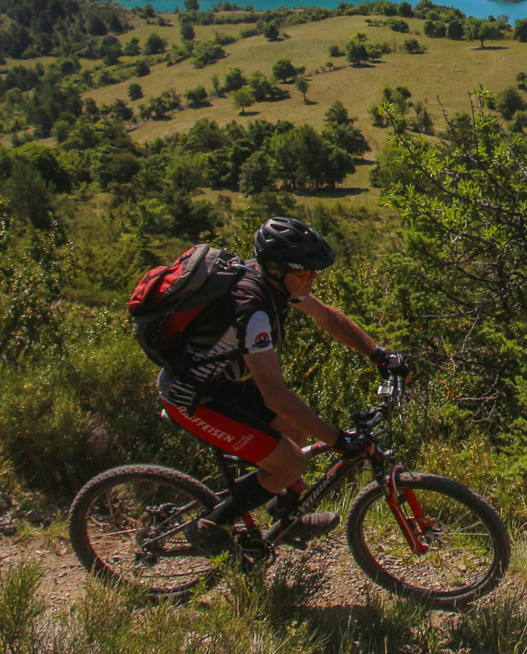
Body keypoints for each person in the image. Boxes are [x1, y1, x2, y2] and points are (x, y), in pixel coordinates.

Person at [158, 216, 402, 549]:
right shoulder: (253, 309)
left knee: (294, 430)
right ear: (276, 271)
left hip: (224, 386)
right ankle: (209, 526)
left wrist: (378, 354)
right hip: (193, 399)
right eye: (304, 273)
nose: (312, 279)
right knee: (290, 462)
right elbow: (274, 393)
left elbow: (328, 319)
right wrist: (337, 439)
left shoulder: (273, 283)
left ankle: (286, 515)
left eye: (313, 272)